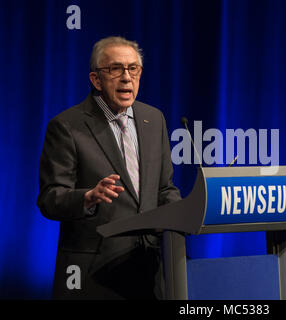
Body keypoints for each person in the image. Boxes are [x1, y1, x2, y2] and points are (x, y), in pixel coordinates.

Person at [37, 36, 181, 299]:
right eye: (115, 69)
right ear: (95, 79)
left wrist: (180, 213)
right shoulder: (67, 126)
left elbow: (164, 188)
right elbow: (50, 198)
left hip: (148, 269)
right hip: (94, 272)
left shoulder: (154, 119)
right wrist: (88, 197)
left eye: (133, 68)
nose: (126, 77)